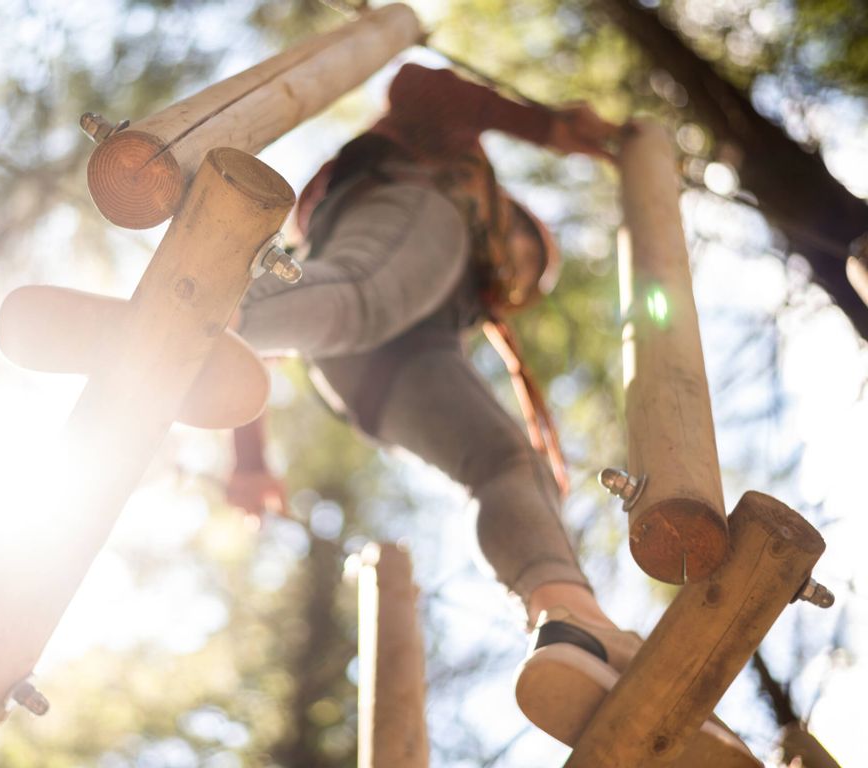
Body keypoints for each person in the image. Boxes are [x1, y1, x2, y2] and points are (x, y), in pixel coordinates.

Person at [227, 63, 755, 759]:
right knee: (358, 290)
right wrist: (551, 126)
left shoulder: (454, 296)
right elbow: (418, 85)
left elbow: (258, 353)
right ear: (510, 222)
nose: (514, 285)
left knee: (506, 459)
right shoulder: (444, 171)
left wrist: (250, 462)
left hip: (377, 361)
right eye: (526, 261)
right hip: (392, 227)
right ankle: (194, 311)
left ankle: (570, 617)